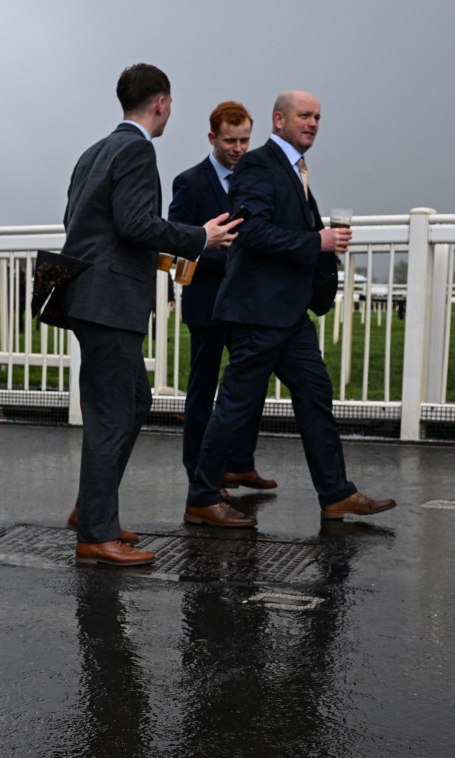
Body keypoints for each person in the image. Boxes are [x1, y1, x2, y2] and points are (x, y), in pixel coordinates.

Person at [184, 90, 395, 528]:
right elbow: (251, 232)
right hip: (258, 311)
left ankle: (336, 494)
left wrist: (319, 254)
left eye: (318, 116)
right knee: (235, 406)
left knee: (316, 397)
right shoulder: (259, 164)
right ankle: (202, 497)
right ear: (278, 120)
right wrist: (315, 242)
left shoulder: (295, 169)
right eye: (304, 115)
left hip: (289, 314)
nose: (313, 122)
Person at [57, 63, 240, 566]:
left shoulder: (95, 151)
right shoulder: (137, 149)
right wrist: (201, 237)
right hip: (110, 303)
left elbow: (82, 222)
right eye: (170, 105)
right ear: (161, 103)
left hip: (90, 297)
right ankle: (95, 535)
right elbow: (136, 223)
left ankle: (92, 510)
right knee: (113, 413)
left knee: (133, 404)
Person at [169, 101, 277, 495]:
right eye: (230, 141)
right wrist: (232, 254)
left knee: (251, 384)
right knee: (202, 390)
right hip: (207, 303)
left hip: (249, 303)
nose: (238, 148)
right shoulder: (189, 182)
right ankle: (198, 473)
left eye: (245, 140)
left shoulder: (259, 177)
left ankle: (240, 465)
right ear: (212, 138)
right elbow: (179, 245)